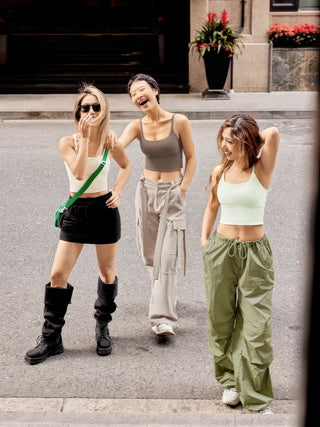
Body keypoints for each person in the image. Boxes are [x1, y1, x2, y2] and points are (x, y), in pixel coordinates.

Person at [25, 84, 130, 365]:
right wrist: (84, 140)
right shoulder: (67, 142)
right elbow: (80, 172)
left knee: (107, 272)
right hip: (77, 209)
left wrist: (117, 191)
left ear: (104, 110)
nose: (91, 112)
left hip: (104, 210)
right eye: (86, 107)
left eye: (96, 107)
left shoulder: (111, 140)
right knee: (58, 275)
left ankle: (102, 327)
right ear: (78, 112)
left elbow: (126, 166)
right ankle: (51, 338)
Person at [201, 114, 280, 413]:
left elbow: (272, 133)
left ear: (246, 142)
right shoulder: (220, 170)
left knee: (256, 327)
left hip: (256, 254)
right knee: (220, 320)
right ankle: (230, 382)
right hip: (221, 251)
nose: (224, 146)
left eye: (232, 141)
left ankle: (256, 395)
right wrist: (205, 242)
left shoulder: (261, 169)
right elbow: (211, 207)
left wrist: (249, 136)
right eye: (222, 139)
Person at [115, 73, 196, 336]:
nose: (139, 95)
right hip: (146, 191)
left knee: (167, 254)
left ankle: (162, 318)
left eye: (142, 89)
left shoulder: (179, 121)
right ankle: (165, 294)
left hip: (173, 190)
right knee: (152, 254)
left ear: (155, 90)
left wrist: (182, 189)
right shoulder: (137, 126)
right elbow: (116, 146)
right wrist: (97, 135)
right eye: (133, 94)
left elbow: (192, 157)